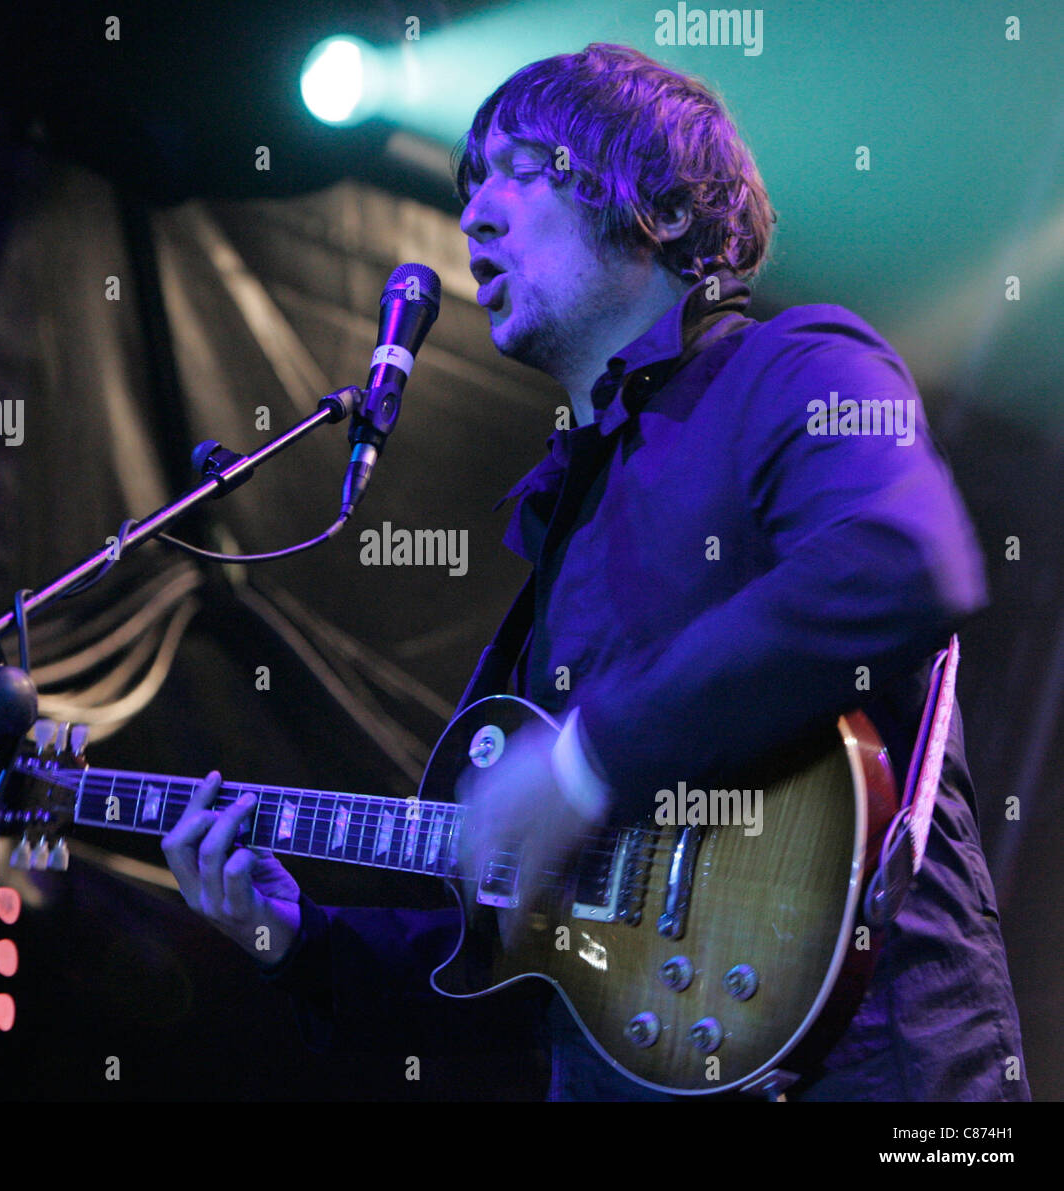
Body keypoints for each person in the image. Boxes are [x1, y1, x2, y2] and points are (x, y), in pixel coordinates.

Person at [161, 44, 1029, 1101]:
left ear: (651, 205)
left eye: (514, 170)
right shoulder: (558, 512)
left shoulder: (801, 367)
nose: (474, 215)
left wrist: (588, 760)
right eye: (465, 185)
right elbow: (522, 968)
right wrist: (290, 940)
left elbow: (902, 558)